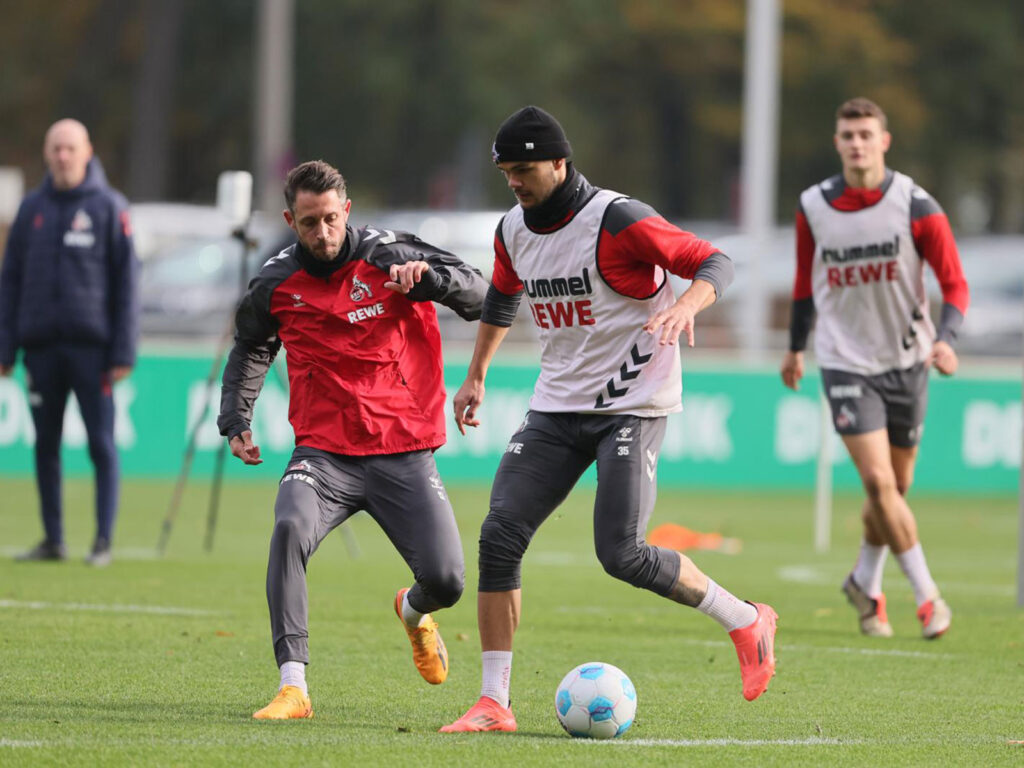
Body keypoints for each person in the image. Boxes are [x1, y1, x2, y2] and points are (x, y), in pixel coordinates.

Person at [441, 106, 778, 734]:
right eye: (506, 172)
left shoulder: (617, 218)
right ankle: (494, 702)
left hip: (632, 405)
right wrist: (477, 373)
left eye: (524, 169)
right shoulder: (512, 228)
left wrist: (685, 306)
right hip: (555, 406)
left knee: (621, 554)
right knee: (498, 537)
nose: (514, 181)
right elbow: (504, 296)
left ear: (560, 163)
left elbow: (716, 262)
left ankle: (744, 618)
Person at [218, 160, 487, 720]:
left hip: (402, 449)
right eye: (310, 222)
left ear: (348, 210)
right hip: (323, 454)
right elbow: (250, 345)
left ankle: (413, 612)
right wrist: (236, 416)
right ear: (292, 220)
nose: (322, 233)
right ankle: (294, 687)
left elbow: (482, 294)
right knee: (289, 524)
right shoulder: (274, 281)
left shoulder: (391, 254)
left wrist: (431, 280)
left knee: (448, 580)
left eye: (331, 219)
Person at [780, 97, 969, 640]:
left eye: (866, 134)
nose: (857, 143)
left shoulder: (915, 204)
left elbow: (954, 283)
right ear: (837, 142)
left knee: (894, 488)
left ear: (884, 140)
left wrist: (947, 340)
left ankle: (864, 580)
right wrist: (796, 348)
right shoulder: (813, 206)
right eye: (847, 135)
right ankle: (927, 596)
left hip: (908, 361)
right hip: (844, 362)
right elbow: (801, 284)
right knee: (878, 480)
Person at [0, 119, 139, 567]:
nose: (63, 156)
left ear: (87, 151)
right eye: (56, 148)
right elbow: (11, 281)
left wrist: (122, 351)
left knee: (100, 443)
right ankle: (53, 539)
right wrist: (6, 347)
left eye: (70, 148)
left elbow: (127, 285)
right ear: (47, 153)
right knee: (45, 445)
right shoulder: (31, 209)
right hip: (41, 349)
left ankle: (102, 541)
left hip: (93, 352)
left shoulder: (108, 207)